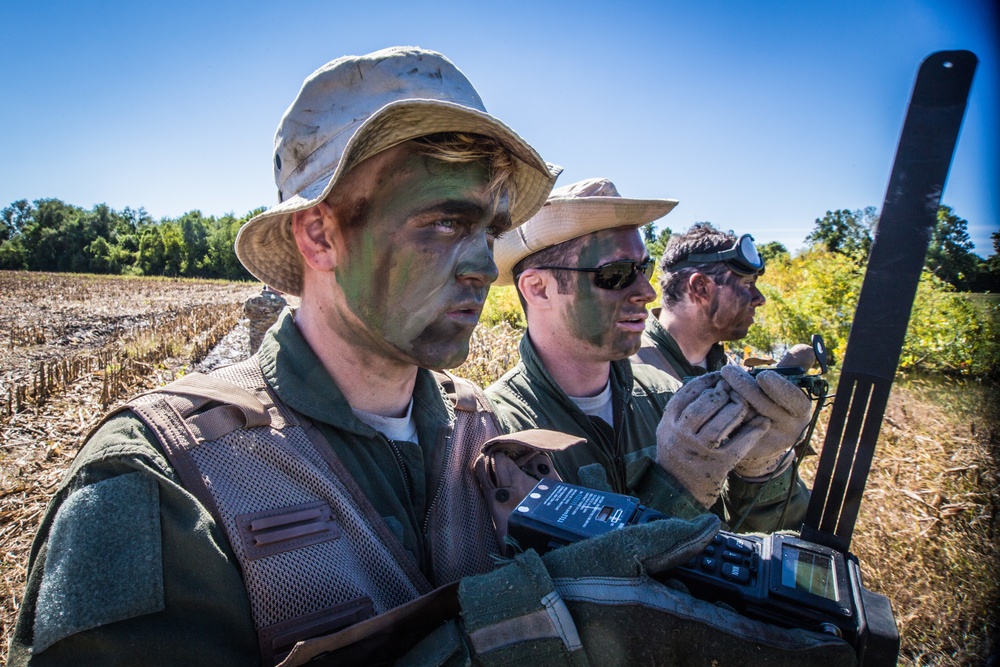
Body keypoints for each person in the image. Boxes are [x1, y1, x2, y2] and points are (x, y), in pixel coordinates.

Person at [7, 47, 854, 667]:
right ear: (320, 231)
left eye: (489, 228)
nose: (486, 264)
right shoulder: (160, 486)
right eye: (444, 223)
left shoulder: (496, 445)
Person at [487, 181, 812, 533]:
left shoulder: (671, 396)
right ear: (538, 289)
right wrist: (676, 487)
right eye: (617, 274)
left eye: (645, 269)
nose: (646, 291)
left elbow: (756, 545)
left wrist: (762, 469)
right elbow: (560, 581)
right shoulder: (501, 432)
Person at [631, 223, 815, 529]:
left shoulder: (732, 374)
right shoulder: (625, 377)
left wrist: (765, 467)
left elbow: (763, 526)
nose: (759, 299)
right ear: (700, 287)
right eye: (745, 285)